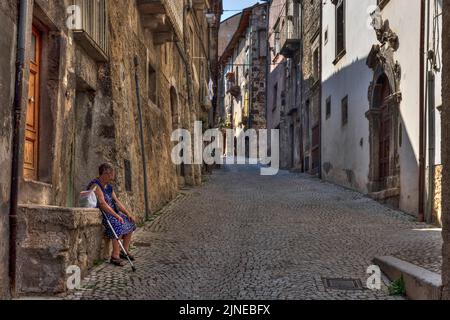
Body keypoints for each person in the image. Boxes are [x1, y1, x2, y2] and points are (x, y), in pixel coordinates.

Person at [87, 163, 137, 267]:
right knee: (117, 224)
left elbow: (117, 202)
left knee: (130, 222)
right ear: (105, 174)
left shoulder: (109, 187)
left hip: (113, 213)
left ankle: (125, 251)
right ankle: (115, 256)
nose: (112, 177)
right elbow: (102, 204)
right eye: (111, 174)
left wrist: (128, 213)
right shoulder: (96, 185)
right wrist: (116, 215)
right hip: (104, 215)